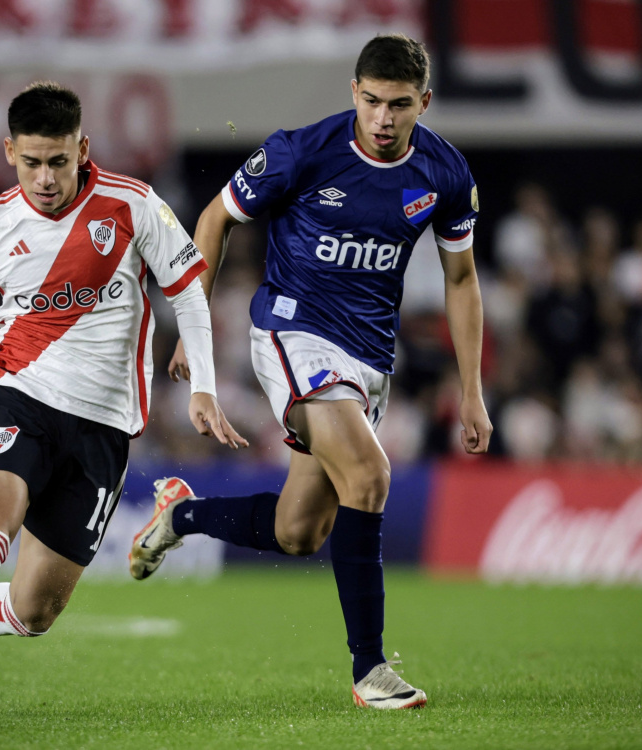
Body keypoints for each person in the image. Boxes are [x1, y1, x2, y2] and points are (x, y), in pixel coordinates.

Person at [0, 82, 247, 722]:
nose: (44, 177)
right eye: (31, 161)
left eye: (58, 161)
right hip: (21, 396)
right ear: (10, 152)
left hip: (105, 427)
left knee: (35, 611)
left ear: (82, 148)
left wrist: (202, 382)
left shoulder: (132, 205)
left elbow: (189, 293)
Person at [129, 34, 492, 710]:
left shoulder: (445, 173)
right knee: (370, 474)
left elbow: (462, 278)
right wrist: (196, 324)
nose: (384, 119)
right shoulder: (302, 151)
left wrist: (471, 391)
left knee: (300, 532)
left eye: (400, 106)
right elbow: (215, 218)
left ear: (425, 103)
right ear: (354, 93)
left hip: (369, 358)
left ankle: (181, 516)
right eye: (373, 101)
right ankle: (370, 669)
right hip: (292, 330)